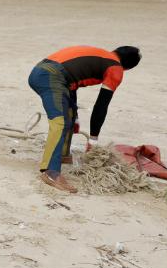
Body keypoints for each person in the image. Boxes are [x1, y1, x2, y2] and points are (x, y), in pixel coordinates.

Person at [28, 45, 141, 193]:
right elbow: (101, 105)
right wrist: (93, 139)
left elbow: (70, 82)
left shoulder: (103, 55)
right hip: (50, 77)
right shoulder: (116, 68)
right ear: (127, 68)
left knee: (69, 116)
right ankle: (51, 171)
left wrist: (75, 117)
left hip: (43, 71)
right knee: (60, 122)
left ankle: (62, 155)